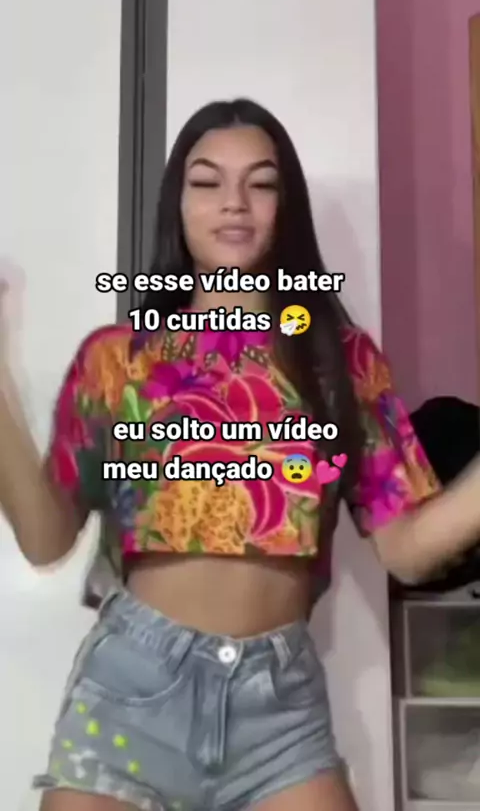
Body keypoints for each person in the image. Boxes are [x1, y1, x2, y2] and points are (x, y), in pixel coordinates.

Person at [2, 98, 480, 811]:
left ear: (287, 207)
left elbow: (409, 550)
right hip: (129, 696)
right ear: (178, 204)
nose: (234, 202)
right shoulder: (118, 361)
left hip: (280, 710)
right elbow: (45, 540)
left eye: (261, 183)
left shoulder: (341, 362)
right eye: (207, 181)